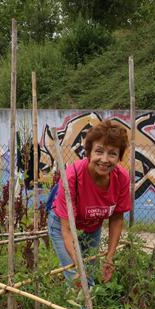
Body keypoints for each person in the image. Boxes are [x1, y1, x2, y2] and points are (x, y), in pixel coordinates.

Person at [48, 120, 132, 286]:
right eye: (99, 151)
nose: (104, 159)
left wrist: (109, 258)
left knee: (90, 276)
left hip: (92, 226)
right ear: (89, 153)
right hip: (62, 226)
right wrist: (79, 266)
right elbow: (67, 229)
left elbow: (116, 219)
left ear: (119, 157)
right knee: (77, 279)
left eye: (112, 154)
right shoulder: (73, 177)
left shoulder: (121, 178)